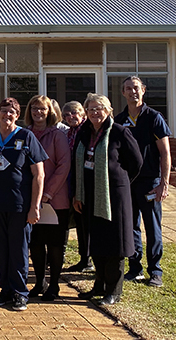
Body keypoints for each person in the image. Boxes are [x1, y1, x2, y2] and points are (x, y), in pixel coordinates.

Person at [73, 93, 143, 305]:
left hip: (114, 197)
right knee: (97, 241)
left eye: (99, 108)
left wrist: (119, 181)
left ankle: (113, 291)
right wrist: (78, 193)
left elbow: (136, 163)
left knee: (115, 244)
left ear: (108, 110)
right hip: (89, 195)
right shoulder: (83, 132)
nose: (95, 112)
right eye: (91, 109)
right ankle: (99, 285)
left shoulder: (120, 132)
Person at [0, 97, 47, 311]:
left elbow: (39, 175)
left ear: (17, 115)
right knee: (2, 248)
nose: (7, 115)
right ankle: (5, 289)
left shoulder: (27, 137)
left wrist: (35, 207)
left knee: (19, 249)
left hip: (20, 205)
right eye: (4, 111)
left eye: (12, 112)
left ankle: (20, 292)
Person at [114, 76, 171, 288]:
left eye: (136, 88)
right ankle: (135, 268)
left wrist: (163, 183)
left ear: (144, 90)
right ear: (123, 93)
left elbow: (165, 153)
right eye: (128, 88)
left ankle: (155, 271)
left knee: (153, 227)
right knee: (131, 226)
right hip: (128, 183)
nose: (132, 92)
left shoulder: (154, 118)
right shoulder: (119, 120)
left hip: (149, 182)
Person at [25, 95, 71, 301]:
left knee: (54, 244)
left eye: (42, 109)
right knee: (35, 243)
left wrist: (48, 192)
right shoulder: (24, 134)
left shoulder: (57, 135)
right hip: (31, 199)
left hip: (55, 200)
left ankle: (54, 285)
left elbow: (63, 166)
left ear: (49, 111)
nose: (38, 112)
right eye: (34, 108)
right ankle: (39, 282)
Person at [61, 101, 93, 273]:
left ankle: (89, 260)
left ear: (82, 113)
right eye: (66, 115)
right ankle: (83, 258)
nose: (70, 117)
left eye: (73, 113)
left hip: (86, 181)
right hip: (72, 181)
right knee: (79, 223)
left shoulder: (87, 131)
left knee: (87, 223)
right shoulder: (69, 132)